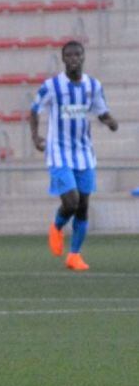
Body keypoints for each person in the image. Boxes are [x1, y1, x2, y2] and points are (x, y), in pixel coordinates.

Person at [30, 39, 118, 271]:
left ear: (83, 57)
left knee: (83, 206)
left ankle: (74, 255)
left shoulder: (93, 86)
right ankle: (57, 227)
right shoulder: (52, 86)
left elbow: (101, 111)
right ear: (63, 59)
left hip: (84, 153)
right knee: (71, 202)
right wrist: (35, 137)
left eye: (77, 54)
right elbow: (34, 109)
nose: (73, 59)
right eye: (69, 55)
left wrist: (110, 121)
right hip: (59, 152)